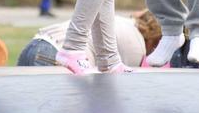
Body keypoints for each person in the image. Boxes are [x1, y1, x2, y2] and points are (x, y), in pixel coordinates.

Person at [17, 10, 162, 69]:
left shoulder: (123, 22)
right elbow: (118, 87)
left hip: (35, 45)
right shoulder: (137, 48)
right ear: (154, 40)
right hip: (55, 56)